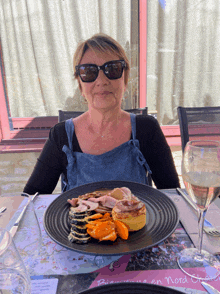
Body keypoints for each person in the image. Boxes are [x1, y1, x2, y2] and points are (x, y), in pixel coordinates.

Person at [23, 33, 180, 195]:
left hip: (134, 220)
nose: (101, 80)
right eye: (89, 72)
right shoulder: (60, 136)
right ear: (80, 85)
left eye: (112, 69)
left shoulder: (147, 129)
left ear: (125, 79)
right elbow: (31, 197)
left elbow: (174, 194)